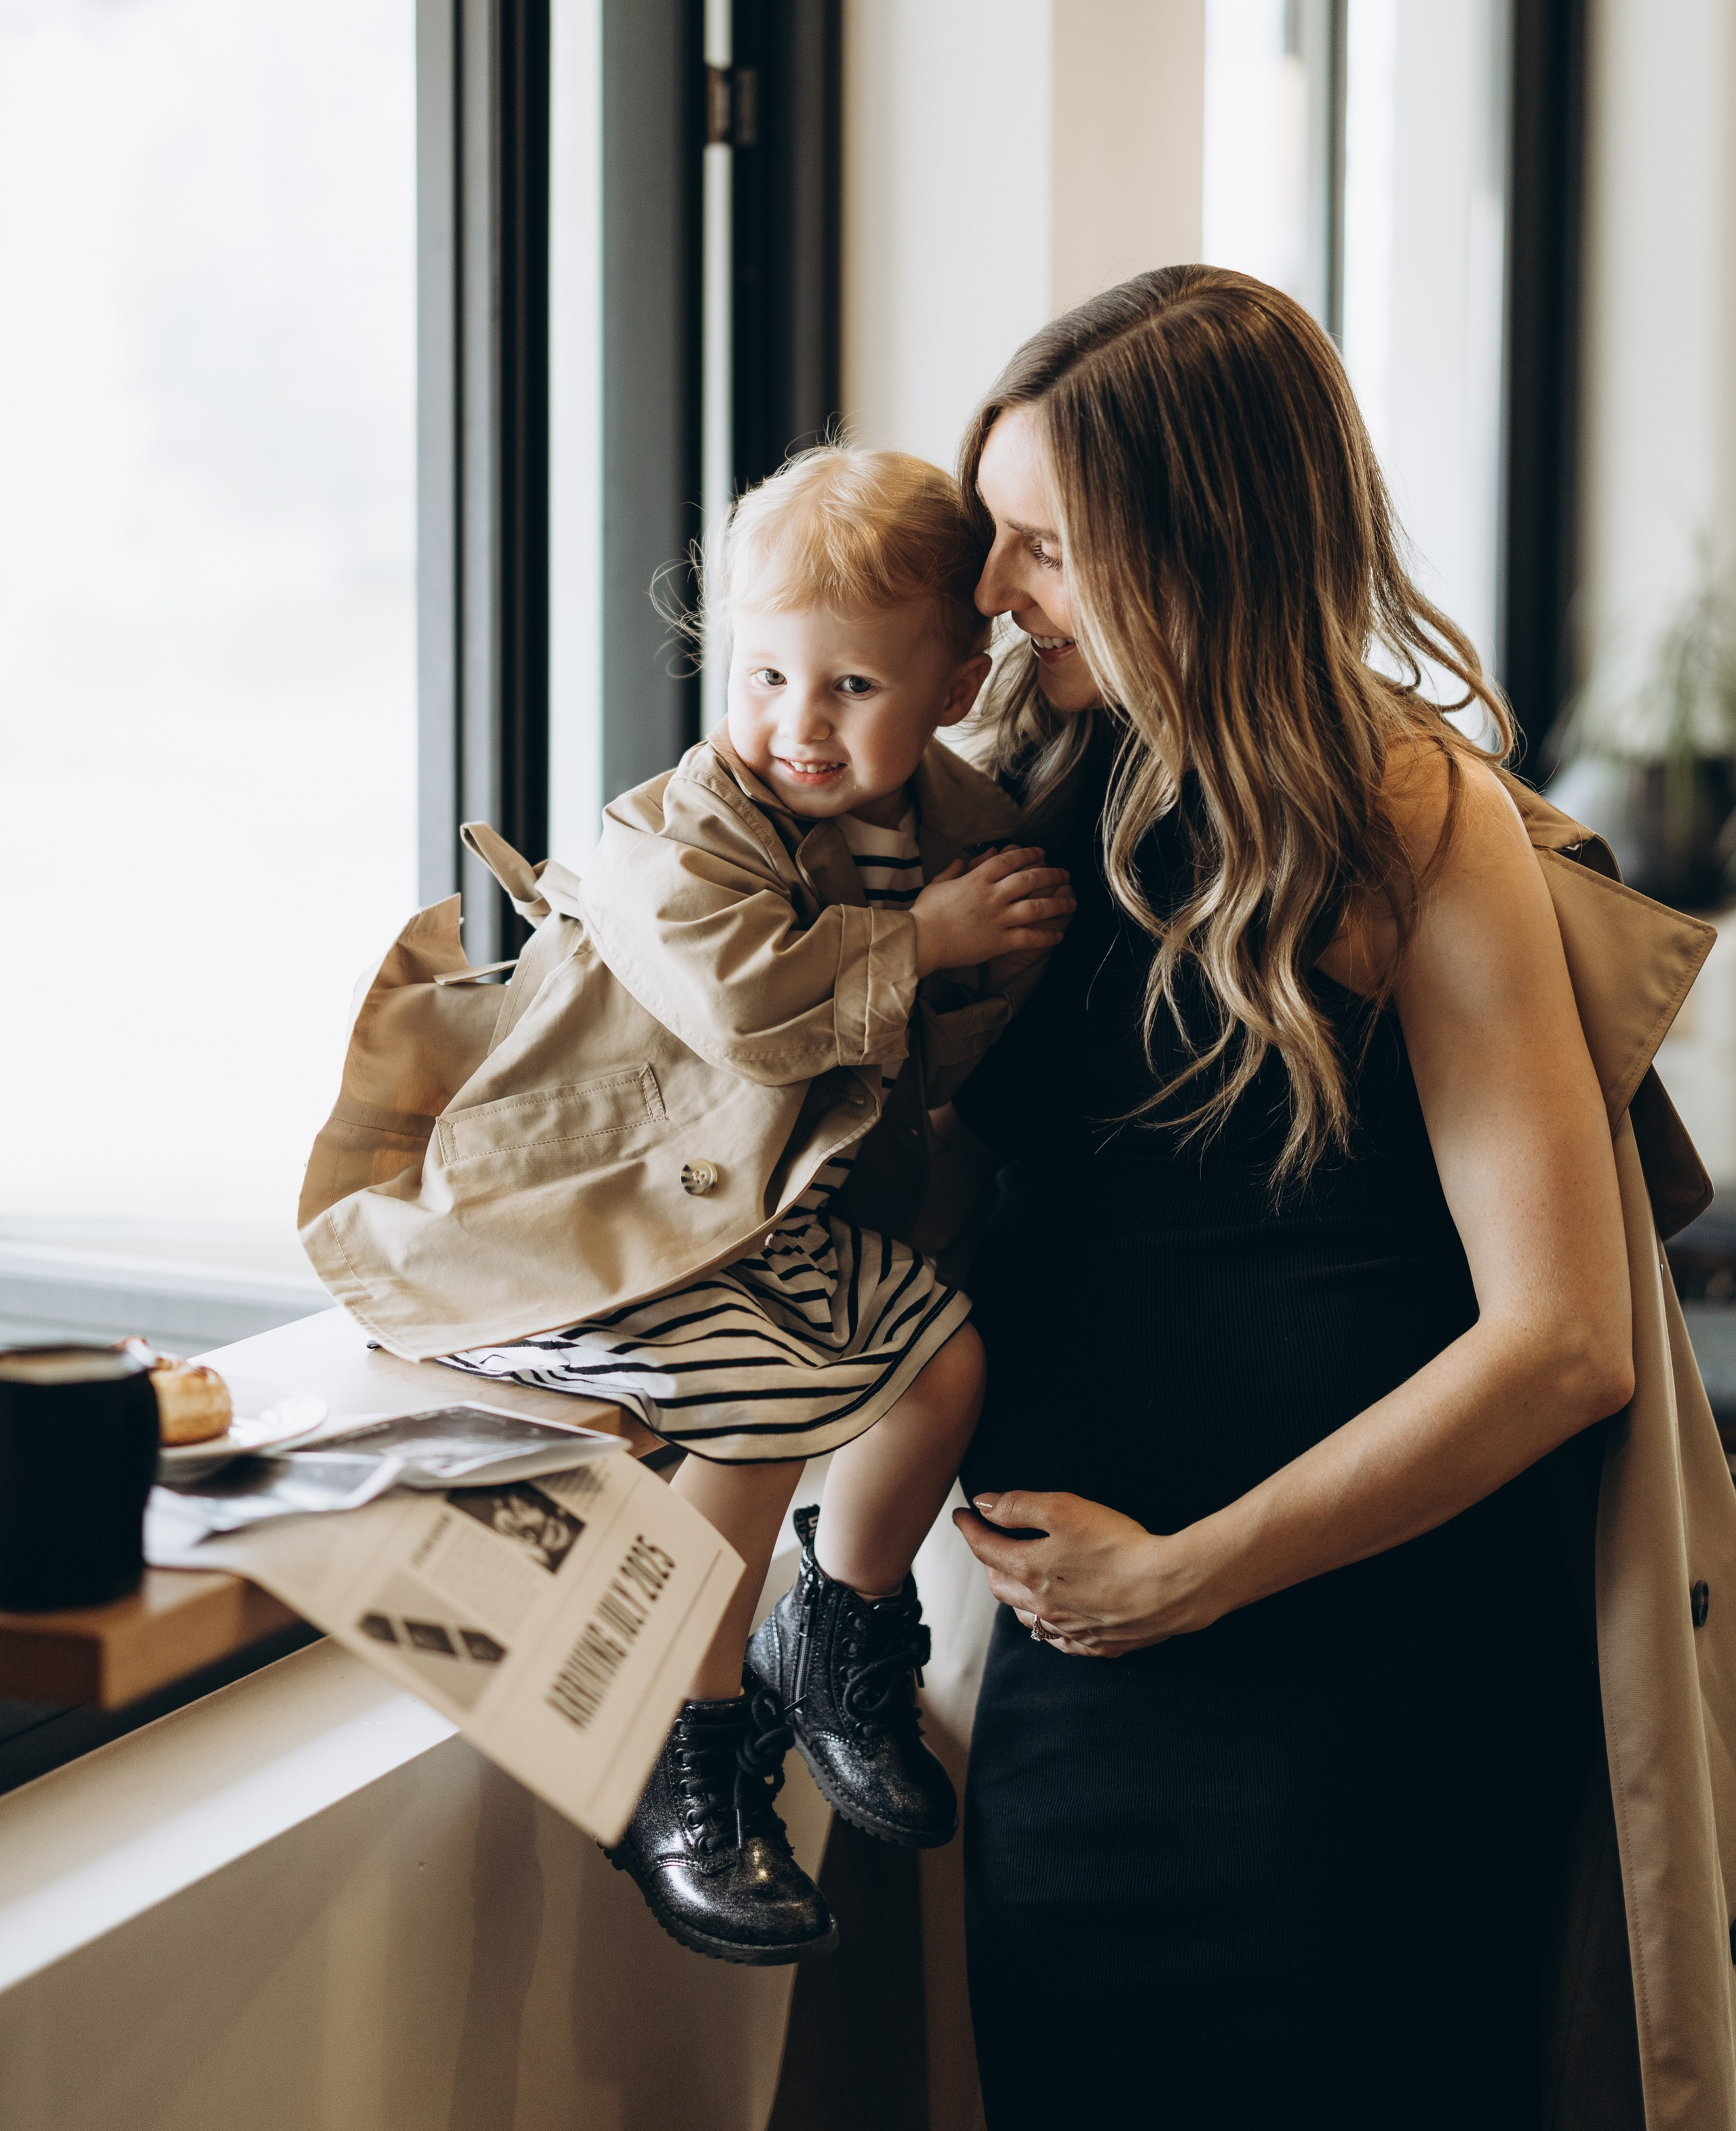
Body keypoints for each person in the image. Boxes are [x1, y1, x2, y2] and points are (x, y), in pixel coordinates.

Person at [941, 267, 1651, 2128]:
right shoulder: (1028, 783)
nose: (1000, 593)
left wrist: (1187, 1576)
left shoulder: (1409, 812)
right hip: (1082, 1688)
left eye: (1048, 550)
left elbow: (1564, 1343)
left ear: (1206, 548)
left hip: (1358, 1698)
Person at [444, 446, 1073, 1966]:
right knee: (761, 1407)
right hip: (605, 1203)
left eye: (851, 686)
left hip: (755, 1213)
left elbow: (956, 1054)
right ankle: (683, 1738)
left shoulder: (961, 823)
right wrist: (920, 942)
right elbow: (744, 1010)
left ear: (954, 680)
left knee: (946, 1366)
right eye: (765, 674)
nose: (796, 725)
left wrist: (986, 953)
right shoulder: (671, 833)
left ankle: (835, 1631)